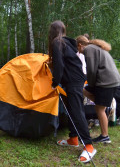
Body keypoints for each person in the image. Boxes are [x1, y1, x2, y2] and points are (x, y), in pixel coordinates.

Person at [48, 20, 96, 163]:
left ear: (52, 31)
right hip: (73, 80)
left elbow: (59, 65)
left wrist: (55, 82)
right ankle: (74, 138)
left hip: (74, 81)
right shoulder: (66, 42)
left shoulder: (57, 42)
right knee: (70, 109)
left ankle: (89, 146)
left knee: (76, 111)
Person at [76, 35, 120, 143]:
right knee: (87, 93)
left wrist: (90, 84)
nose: (78, 51)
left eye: (77, 48)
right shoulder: (95, 47)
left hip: (106, 81)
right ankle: (106, 106)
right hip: (112, 80)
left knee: (99, 109)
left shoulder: (89, 49)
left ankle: (105, 136)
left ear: (80, 45)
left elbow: (91, 70)